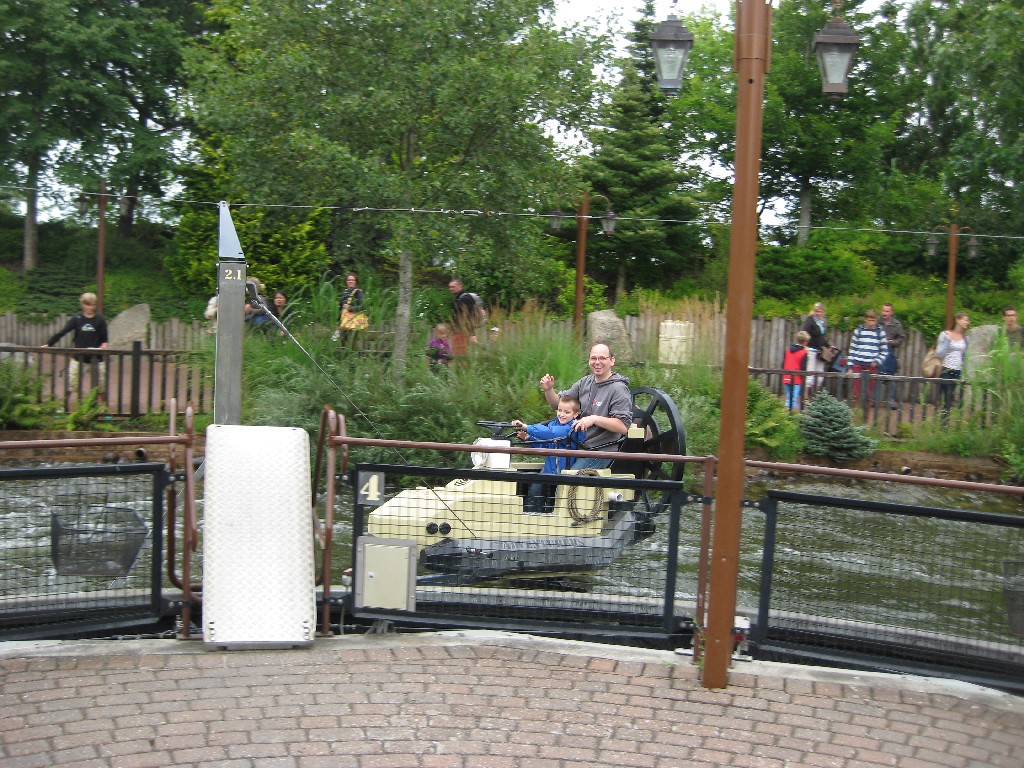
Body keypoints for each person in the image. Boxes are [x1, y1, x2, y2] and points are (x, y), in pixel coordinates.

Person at [540, 342, 632, 470]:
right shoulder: (585, 382)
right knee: (545, 478)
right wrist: (549, 390)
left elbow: (622, 427)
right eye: (593, 358)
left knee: (567, 480)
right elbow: (557, 404)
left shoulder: (619, 389)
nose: (597, 362)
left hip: (600, 452)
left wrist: (594, 419)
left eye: (602, 358)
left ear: (612, 361)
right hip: (576, 446)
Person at [511, 395, 581, 514]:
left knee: (558, 498)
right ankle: (530, 515)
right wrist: (529, 438)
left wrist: (526, 427)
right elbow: (545, 445)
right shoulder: (554, 424)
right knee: (535, 490)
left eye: (567, 412)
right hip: (550, 470)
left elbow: (551, 433)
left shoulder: (573, 427)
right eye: (559, 410)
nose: (561, 414)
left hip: (565, 472)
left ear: (575, 414)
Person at [43, 292, 109, 391]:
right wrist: (49, 344)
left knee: (101, 388)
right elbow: (63, 332)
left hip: (96, 358)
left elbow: (105, 340)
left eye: (93, 305)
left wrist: (103, 347)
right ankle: (66, 401)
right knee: (71, 385)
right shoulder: (77, 318)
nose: (90, 308)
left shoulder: (100, 319)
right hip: (79, 357)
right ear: (82, 304)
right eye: (88, 305)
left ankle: (100, 401)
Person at [846, 309, 888, 401]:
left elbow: (884, 350)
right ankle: (856, 410)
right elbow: (852, 349)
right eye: (869, 320)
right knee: (856, 393)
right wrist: (850, 366)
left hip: (871, 366)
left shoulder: (880, 332)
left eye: (873, 320)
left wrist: (877, 361)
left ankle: (866, 411)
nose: (871, 323)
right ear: (865, 320)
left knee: (869, 394)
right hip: (858, 364)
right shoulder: (858, 331)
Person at [936, 311, 970, 413]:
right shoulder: (945, 334)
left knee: (951, 398)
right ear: (957, 320)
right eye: (965, 320)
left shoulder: (966, 338)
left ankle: (946, 418)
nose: (967, 322)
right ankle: (944, 419)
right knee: (946, 397)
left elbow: (965, 356)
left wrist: (965, 370)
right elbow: (939, 353)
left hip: (958, 370)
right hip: (946, 369)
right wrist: (948, 340)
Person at [878, 302, 906, 408]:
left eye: (887, 311)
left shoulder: (897, 324)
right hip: (877, 353)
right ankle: (873, 400)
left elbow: (901, 338)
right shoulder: (877, 322)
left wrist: (892, 342)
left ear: (891, 312)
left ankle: (891, 401)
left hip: (890, 353)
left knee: (892, 377)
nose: (884, 313)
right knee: (875, 376)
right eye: (883, 310)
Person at [800, 302, 829, 395]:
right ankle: (806, 396)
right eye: (816, 311)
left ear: (823, 312)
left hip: (820, 351)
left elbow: (822, 337)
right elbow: (804, 334)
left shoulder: (822, 322)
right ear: (813, 311)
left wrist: (828, 346)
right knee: (810, 374)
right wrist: (805, 346)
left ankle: (816, 395)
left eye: (820, 312)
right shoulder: (810, 321)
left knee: (820, 375)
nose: (818, 313)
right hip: (811, 350)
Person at [781, 330, 810, 413]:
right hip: (796, 379)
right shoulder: (803, 353)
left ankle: (786, 414)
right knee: (793, 399)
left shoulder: (787, 351)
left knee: (789, 397)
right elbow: (803, 368)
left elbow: (783, 365)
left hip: (786, 377)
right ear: (805, 342)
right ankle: (786, 414)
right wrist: (807, 355)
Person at [333, 273, 367, 344]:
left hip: (353, 321)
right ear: (346, 281)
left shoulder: (358, 292)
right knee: (341, 340)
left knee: (351, 342)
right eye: (349, 280)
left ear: (356, 281)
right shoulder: (345, 292)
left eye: (353, 280)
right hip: (343, 320)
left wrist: (350, 308)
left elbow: (363, 306)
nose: (351, 281)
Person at [448, 278, 478, 356]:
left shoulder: (465, 298)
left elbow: (470, 316)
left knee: (460, 356)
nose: (450, 289)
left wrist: (472, 334)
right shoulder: (458, 298)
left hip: (463, 333)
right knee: (458, 355)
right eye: (450, 287)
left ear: (460, 286)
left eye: (453, 287)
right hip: (458, 332)